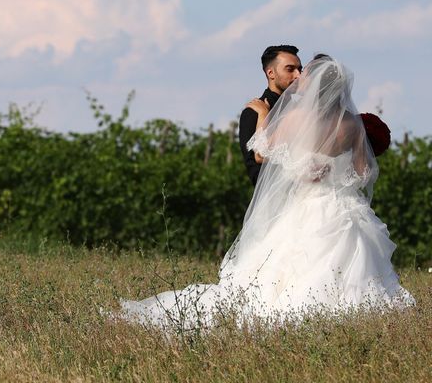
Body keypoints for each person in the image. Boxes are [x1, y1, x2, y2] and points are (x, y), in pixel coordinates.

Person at [118, 55, 414, 330]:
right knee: (352, 257)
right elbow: (363, 173)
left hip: (304, 201)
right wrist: (336, 172)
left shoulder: (294, 118)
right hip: (340, 205)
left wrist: (267, 120)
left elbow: (260, 150)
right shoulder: (352, 124)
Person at [239, 45, 302, 186]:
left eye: (300, 69)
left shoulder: (304, 108)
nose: (298, 75)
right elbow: (255, 171)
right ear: (271, 73)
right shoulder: (254, 112)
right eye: (290, 69)